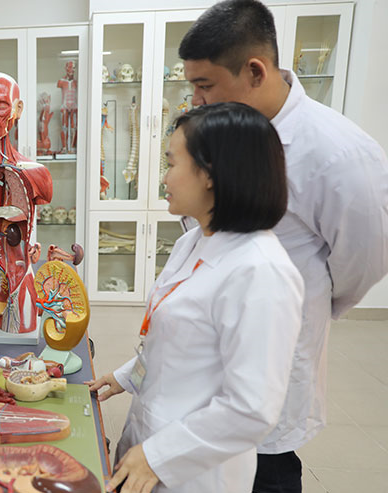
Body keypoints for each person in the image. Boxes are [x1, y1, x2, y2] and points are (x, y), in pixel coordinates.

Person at [178, 2, 388, 490]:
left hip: (272, 343)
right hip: (200, 343)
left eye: (205, 85)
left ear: (254, 71)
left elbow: (364, 259)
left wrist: (305, 305)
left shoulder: (337, 153)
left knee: (262, 465)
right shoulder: (219, 131)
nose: (196, 99)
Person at [88, 102, 304, 493]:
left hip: (197, 472)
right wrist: (125, 377)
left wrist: (160, 455)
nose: (164, 177)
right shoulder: (193, 241)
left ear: (210, 173)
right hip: (149, 439)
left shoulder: (260, 270)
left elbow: (252, 408)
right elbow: (175, 337)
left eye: (171, 164)